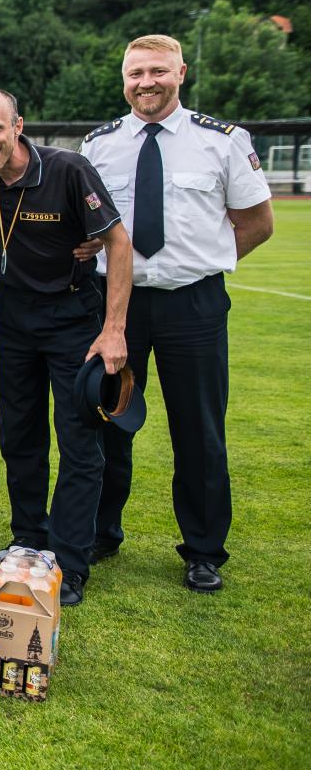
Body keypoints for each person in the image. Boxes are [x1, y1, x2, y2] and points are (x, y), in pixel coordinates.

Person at [82, 35, 273, 593]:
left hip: (194, 303)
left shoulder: (223, 142)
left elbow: (257, 222)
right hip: (118, 304)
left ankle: (204, 549)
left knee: (200, 429)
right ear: (123, 79)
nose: (147, 82)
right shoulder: (100, 146)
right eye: (136, 72)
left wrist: (206, 260)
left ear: (181, 73)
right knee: (106, 422)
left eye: (158, 71)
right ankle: (99, 531)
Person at [0, 90, 132, 606]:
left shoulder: (68, 168)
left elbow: (119, 242)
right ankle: (28, 539)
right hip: (13, 315)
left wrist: (114, 329)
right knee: (19, 433)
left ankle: (71, 560)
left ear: (18, 125)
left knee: (78, 439)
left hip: (71, 316)